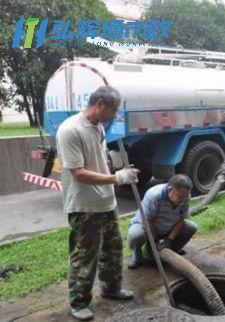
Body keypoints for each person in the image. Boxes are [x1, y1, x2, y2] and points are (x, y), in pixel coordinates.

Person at [56, 86, 140, 321]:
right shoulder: (70, 130)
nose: (114, 115)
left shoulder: (99, 127)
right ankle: (79, 302)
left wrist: (115, 168)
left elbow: (99, 161)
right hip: (84, 206)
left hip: (106, 201)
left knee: (112, 250)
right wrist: (116, 178)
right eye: (113, 109)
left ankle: (111, 289)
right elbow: (79, 174)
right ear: (100, 103)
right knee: (85, 256)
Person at [127, 174, 197, 269]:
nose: (183, 200)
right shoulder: (154, 195)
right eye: (180, 197)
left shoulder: (185, 196)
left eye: (186, 196)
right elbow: (147, 219)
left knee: (191, 227)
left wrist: (169, 240)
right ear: (170, 190)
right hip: (146, 226)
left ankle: (171, 250)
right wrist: (155, 240)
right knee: (136, 235)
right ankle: (137, 257)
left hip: (168, 226)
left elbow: (181, 219)